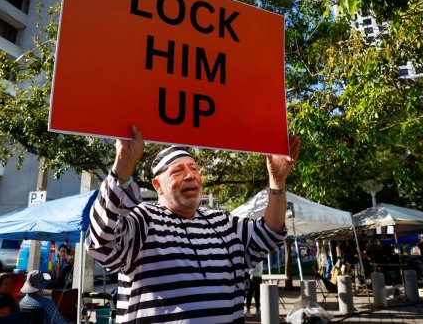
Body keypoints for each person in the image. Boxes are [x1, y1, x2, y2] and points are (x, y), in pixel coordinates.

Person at [86, 126, 300, 323]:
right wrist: (121, 170)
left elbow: (270, 234)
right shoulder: (144, 219)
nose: (190, 175)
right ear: (157, 185)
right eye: (177, 172)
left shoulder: (222, 222)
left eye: (194, 169)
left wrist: (277, 181)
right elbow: (100, 243)